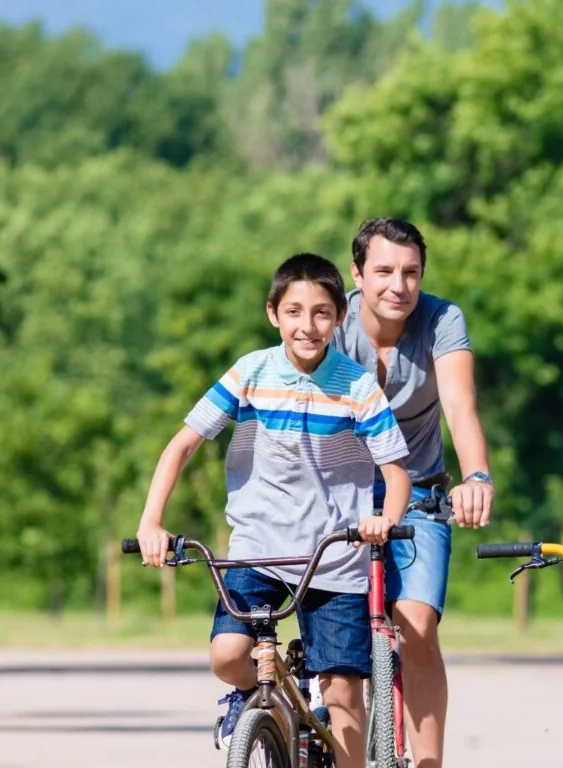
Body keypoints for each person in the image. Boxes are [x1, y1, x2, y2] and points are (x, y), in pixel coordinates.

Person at [136, 253, 412, 768]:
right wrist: (151, 521)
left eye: (322, 313)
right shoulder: (249, 373)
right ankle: (271, 706)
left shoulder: (356, 386)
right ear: (273, 314)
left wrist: (385, 521)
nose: (307, 326)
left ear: (339, 318)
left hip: (334, 560)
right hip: (256, 551)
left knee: (343, 694)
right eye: (294, 312)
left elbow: (397, 475)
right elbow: (182, 447)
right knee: (227, 655)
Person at [331, 217, 495, 768]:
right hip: (340, 495)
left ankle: (427, 761)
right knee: (332, 635)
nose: (398, 286)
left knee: (418, 626)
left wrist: (476, 477)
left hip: (421, 492)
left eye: (410, 273)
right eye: (383, 272)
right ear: (357, 274)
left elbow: (459, 404)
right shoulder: (331, 323)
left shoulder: (442, 319)